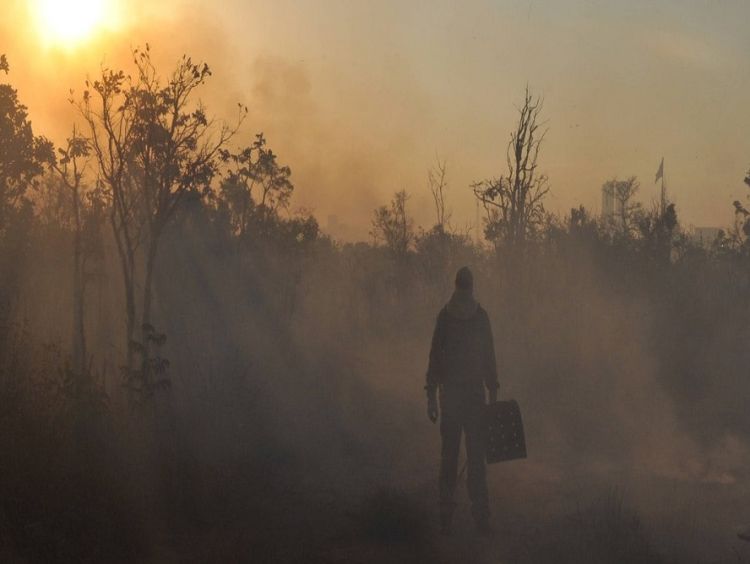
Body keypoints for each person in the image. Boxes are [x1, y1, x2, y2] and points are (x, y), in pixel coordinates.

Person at [425, 266, 499, 535]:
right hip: (471, 398)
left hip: (454, 397)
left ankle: (449, 512)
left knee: (451, 456)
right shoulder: (479, 317)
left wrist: (432, 397)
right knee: (474, 458)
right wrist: (492, 394)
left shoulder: (446, 316)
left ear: (456, 285)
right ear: (471, 286)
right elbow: (489, 359)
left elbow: (434, 359)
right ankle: (479, 516)